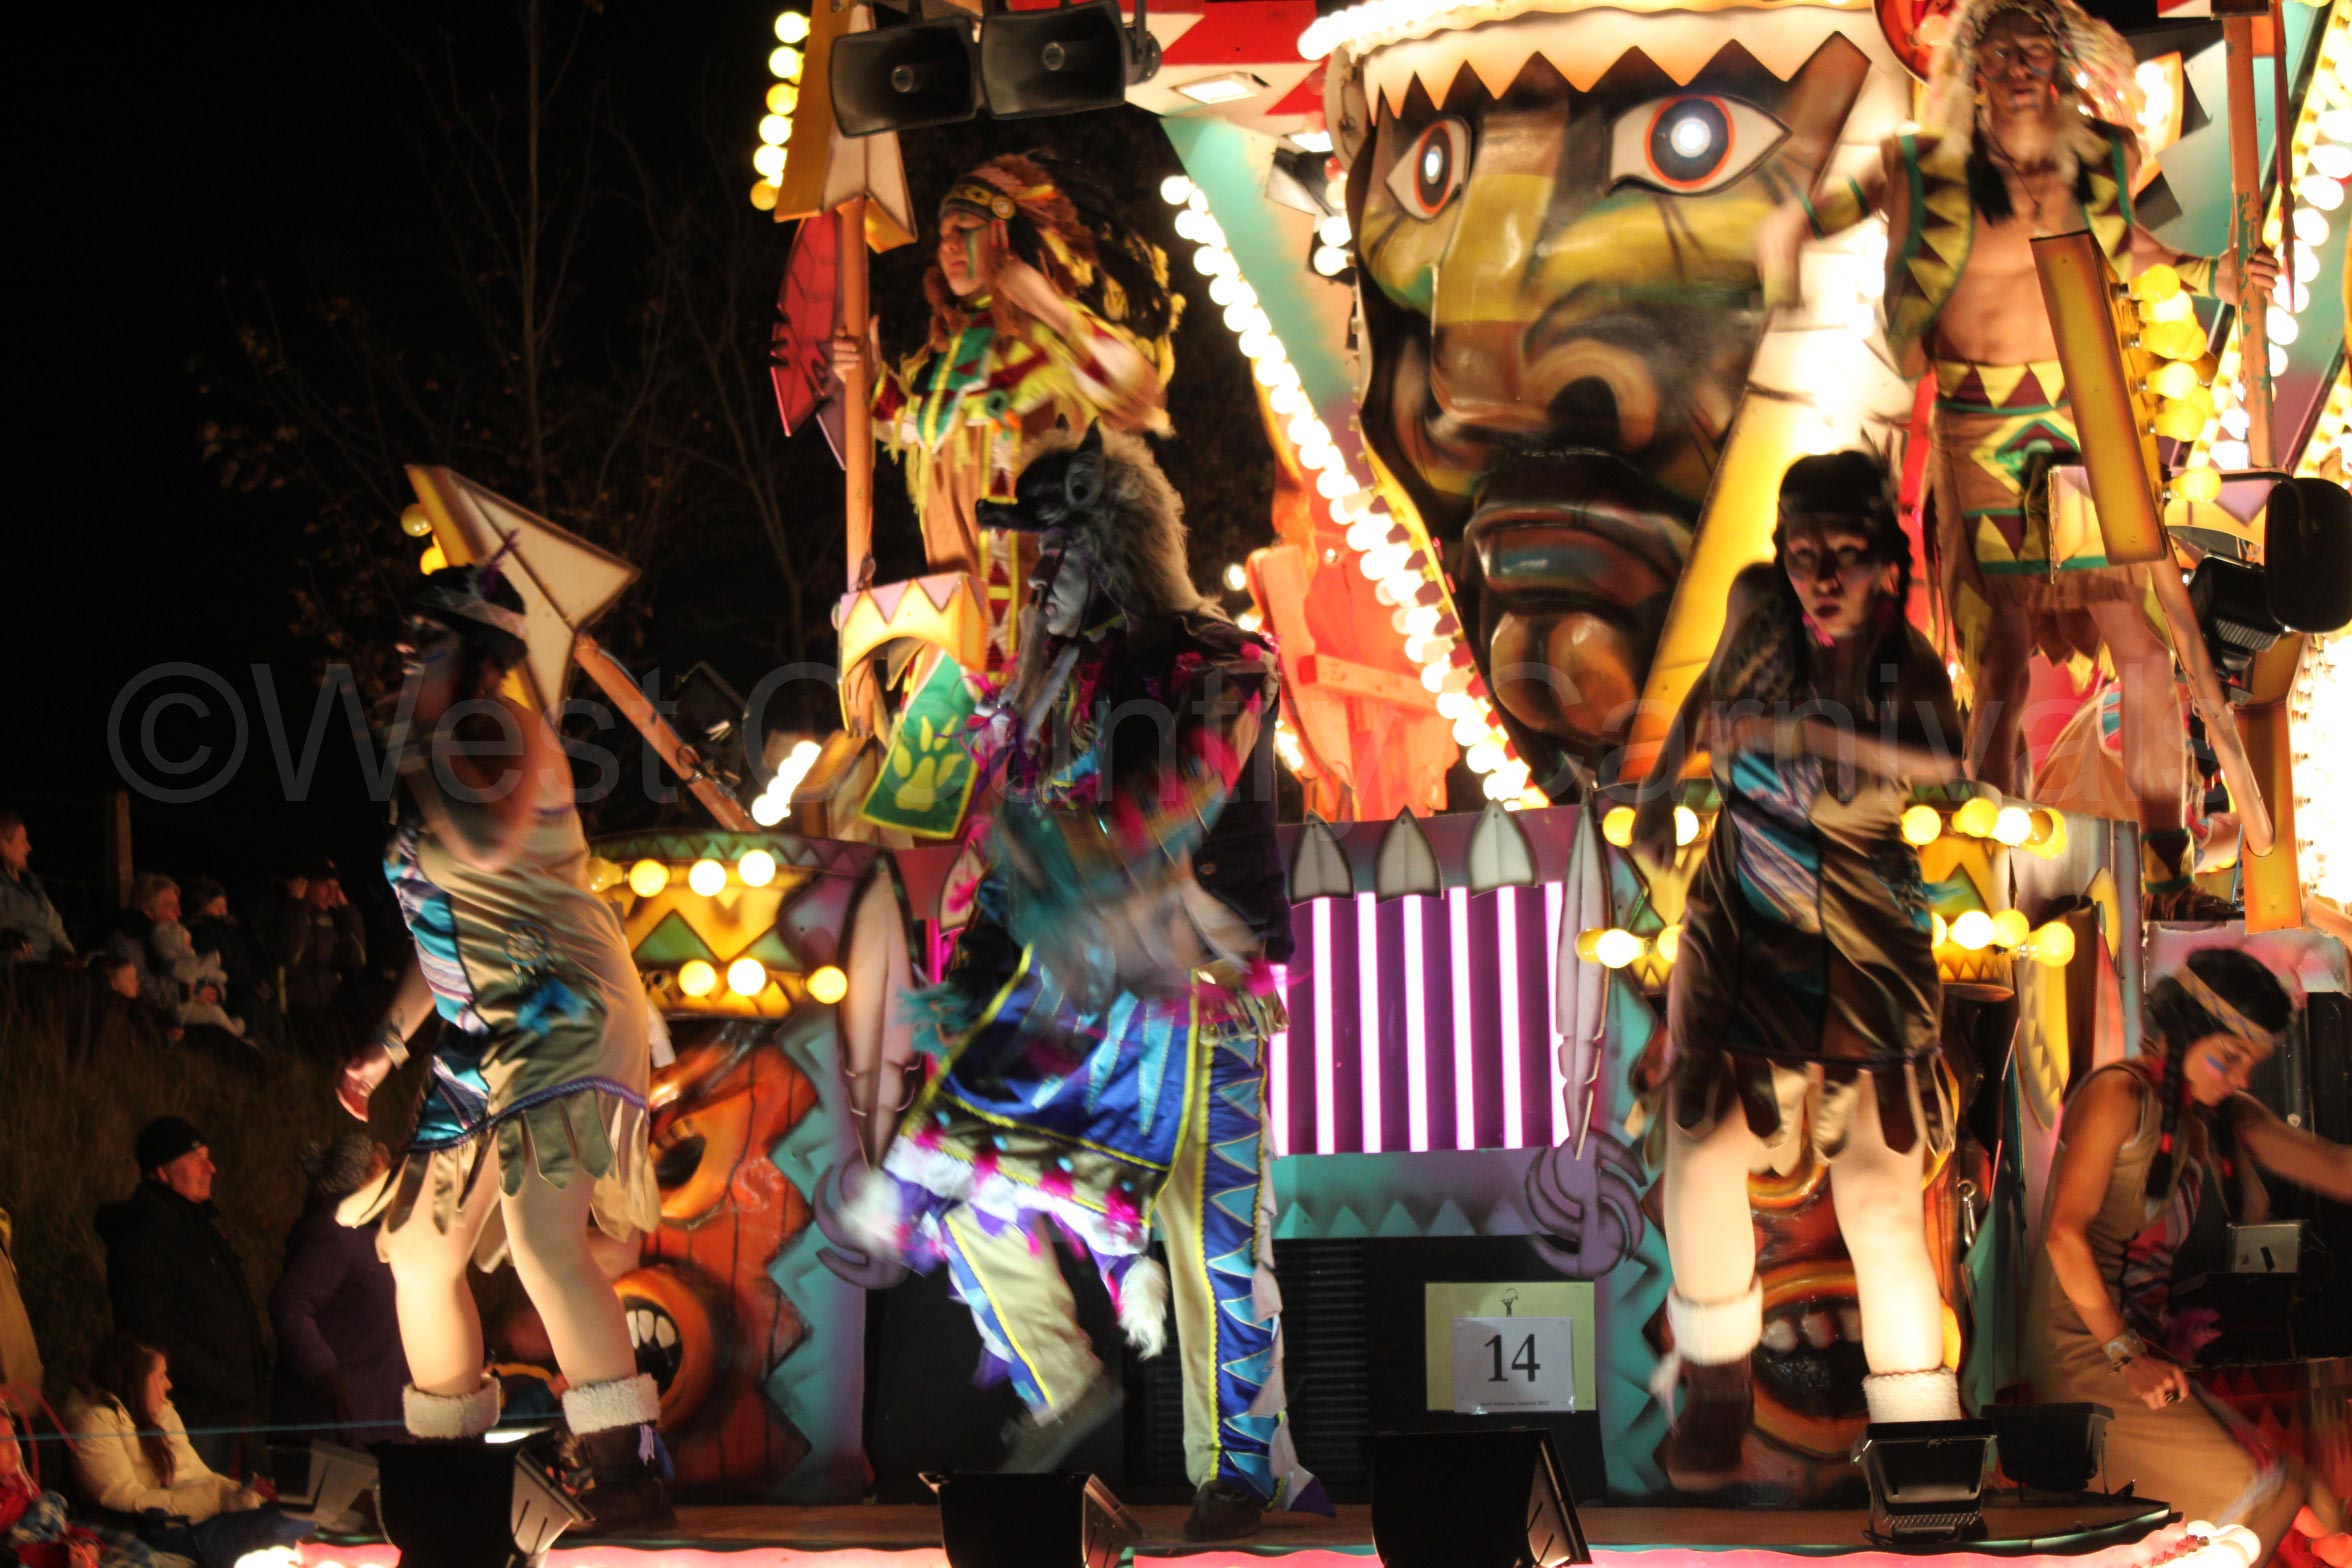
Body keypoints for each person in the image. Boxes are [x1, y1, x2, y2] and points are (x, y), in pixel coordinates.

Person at [846, 427, 1318, 1540]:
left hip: (1197, 992)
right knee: (958, 1174)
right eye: (1029, 555)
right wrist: (971, 980)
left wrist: (1071, 858)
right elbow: (1004, 853)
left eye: (1055, 551)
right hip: (1069, 1000)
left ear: (1113, 551)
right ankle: (1063, 1385)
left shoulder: (1218, 659)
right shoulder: (1042, 688)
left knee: (1210, 1236)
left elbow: (1176, 804)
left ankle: (1238, 1471)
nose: (1034, 577)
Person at [1775, 0, 2277, 919]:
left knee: (2143, 649)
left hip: (2085, 419)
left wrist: (2219, 276)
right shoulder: (1928, 166)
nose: (2016, 70)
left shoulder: (2103, 157)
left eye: (2032, 52)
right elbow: (1829, 207)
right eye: (1998, 55)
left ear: (2059, 64)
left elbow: (2131, 252)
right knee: (2000, 660)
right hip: (1979, 428)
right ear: (1971, 69)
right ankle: (1981, 871)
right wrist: (1789, 230)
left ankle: (2166, 866)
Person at [1630, 452, 1970, 1488]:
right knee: (1700, 1151)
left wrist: (1811, 733)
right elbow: (1708, 696)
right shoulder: (1755, 603)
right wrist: (1659, 785)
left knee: (1877, 1195)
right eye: (1804, 552)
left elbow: (1947, 761)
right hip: (1748, 919)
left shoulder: (1899, 662)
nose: (1821, 575)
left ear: (1884, 561)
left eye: (1846, 554)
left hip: (1864, 933)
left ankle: (1919, 1439)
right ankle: (1716, 1392)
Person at [335, 563, 666, 1531]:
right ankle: (450, 1478)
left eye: (429, 636)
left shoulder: (503, 729)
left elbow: (483, 844)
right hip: (484, 1028)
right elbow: (441, 921)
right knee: (419, 1246)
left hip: (560, 1006)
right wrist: (386, 1043)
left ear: (480, 651)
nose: (407, 648)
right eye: (407, 632)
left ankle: (628, 1466)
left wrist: (413, 740)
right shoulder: (440, 748)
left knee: (541, 1238)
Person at [2023, 948, 2351, 1564]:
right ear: (2183, 1033)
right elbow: (2064, 1236)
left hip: (2142, 1354)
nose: (2241, 1079)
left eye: (2249, 1064)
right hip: (2086, 1348)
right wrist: (2125, 1355)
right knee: (2263, 1493)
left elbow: (2336, 1168)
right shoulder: (2120, 1095)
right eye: (2229, 1058)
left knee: (2306, 1497)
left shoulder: (2217, 1117)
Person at [832, 152, 1177, 655]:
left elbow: (1140, 395)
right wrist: (863, 375)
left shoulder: (1049, 335)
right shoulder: (942, 357)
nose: (949, 244)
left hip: (1047, 624)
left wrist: (1049, 307)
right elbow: (909, 428)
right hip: (955, 627)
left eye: (964, 229)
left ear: (1002, 237)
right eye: (942, 234)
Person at [95, 1120, 268, 1478]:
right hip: (190, 1411)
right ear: (162, 1171)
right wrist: (218, 1378)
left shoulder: (198, 1226)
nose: (211, 1167)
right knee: (195, 1498)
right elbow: (148, 1327)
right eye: (195, 1158)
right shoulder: (146, 1235)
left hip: (224, 1406)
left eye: (208, 1156)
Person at [62, 1336, 311, 1567]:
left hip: (198, 1520)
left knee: (300, 1516)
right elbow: (121, 1499)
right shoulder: (95, 1423)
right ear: (136, 1382)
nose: (169, 1385)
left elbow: (198, 1475)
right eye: (161, 1376)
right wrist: (215, 1499)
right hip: (169, 1530)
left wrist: (246, 1491)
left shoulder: (162, 1415)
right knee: (287, 1528)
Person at [269, 1136, 403, 1447]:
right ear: (362, 1181)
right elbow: (290, 1306)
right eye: (384, 1176)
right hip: (337, 1424)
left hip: (374, 1416)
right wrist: (326, 1375)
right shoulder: (334, 1233)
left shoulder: (372, 1235)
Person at [275, 862, 364, 1022]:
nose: (332, 894)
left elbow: (356, 959)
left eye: (336, 888)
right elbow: (290, 955)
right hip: (293, 1012)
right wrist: (296, 905)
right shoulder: (284, 911)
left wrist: (347, 910)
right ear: (305, 884)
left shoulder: (331, 917)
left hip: (329, 1007)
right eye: (326, 886)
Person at [0, 809, 75, 962]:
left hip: (49, 964)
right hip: (23, 965)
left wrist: (68, 954)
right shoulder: (4, 890)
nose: (29, 848)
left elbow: (54, 924)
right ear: (4, 844)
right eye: (23, 842)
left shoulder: (32, 883)